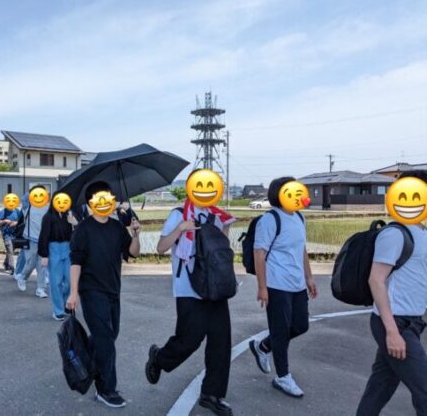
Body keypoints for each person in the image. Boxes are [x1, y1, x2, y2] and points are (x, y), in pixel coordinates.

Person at [145, 174, 236, 416]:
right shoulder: (179, 214)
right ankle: (159, 358)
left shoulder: (218, 216)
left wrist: (225, 228)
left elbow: (219, 252)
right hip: (188, 288)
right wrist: (180, 229)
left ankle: (212, 394)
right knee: (189, 339)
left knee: (220, 341)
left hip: (215, 288)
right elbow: (161, 247)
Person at [356, 171, 427, 416]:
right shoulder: (395, 234)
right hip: (395, 323)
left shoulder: (421, 232)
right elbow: (376, 280)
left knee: (381, 386)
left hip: (413, 321)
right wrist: (392, 332)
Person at [66, 181, 141, 409]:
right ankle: (106, 389)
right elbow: (76, 263)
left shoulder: (117, 227)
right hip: (91, 291)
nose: (104, 202)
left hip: (113, 290)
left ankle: (82, 358)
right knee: (106, 340)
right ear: (90, 203)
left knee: (109, 335)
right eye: (99, 198)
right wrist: (73, 293)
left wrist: (135, 235)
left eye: (107, 198)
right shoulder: (83, 230)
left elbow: (132, 253)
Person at [248, 176, 317, 398]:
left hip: (297, 284)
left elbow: (301, 249)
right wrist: (262, 287)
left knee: (301, 325)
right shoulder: (270, 220)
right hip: (276, 284)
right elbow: (259, 254)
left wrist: (309, 277)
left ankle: (263, 347)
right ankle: (283, 377)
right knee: (280, 330)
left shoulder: (299, 217)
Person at [38, 194, 78, 321]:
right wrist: (44, 255)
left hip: (68, 249)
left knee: (69, 281)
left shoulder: (69, 215)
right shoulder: (48, 217)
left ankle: (66, 304)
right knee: (56, 282)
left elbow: (79, 233)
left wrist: (74, 224)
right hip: (53, 249)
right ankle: (58, 310)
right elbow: (43, 236)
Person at [15, 187, 49, 297]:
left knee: (42, 264)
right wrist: (32, 191)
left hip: (43, 239)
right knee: (31, 263)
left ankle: (40, 289)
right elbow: (24, 198)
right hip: (30, 239)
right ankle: (22, 277)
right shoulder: (27, 206)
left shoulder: (48, 207)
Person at [0, 205, 20, 274]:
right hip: (6, 234)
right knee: (10, 250)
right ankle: (12, 268)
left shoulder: (17, 211)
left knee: (11, 250)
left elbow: (21, 221)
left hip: (15, 234)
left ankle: (6, 263)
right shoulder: (3, 211)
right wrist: (4, 221)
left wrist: (15, 223)